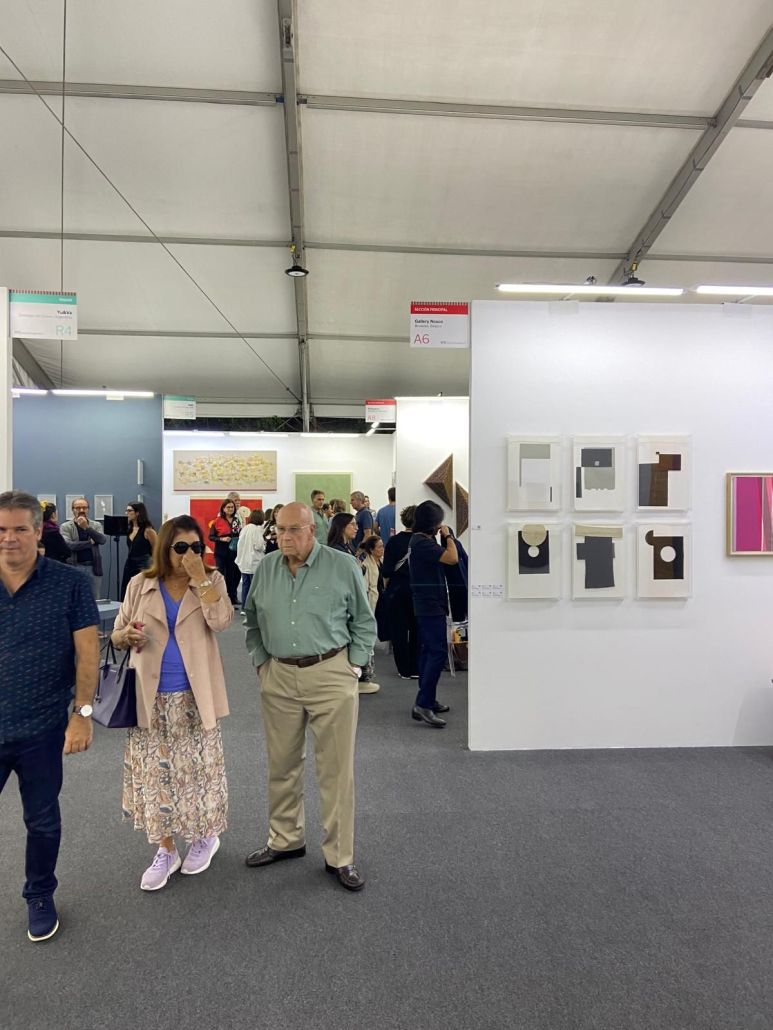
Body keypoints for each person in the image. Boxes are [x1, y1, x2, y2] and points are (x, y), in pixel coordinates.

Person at [243, 502, 376, 891]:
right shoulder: (268, 568)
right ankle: (285, 840)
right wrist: (262, 662)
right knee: (282, 764)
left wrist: (353, 667)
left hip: (331, 673)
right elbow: (252, 620)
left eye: (293, 530)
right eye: (279, 530)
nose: (285, 538)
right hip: (279, 676)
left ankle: (340, 856)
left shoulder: (341, 565)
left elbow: (364, 621)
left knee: (336, 770)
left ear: (311, 530)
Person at [112, 515, 233, 891]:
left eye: (196, 547)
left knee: (198, 773)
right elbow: (116, 633)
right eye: (181, 547)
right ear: (165, 549)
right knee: (156, 776)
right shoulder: (140, 584)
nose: (189, 554)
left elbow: (222, 621)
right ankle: (166, 849)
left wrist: (201, 579)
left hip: (196, 696)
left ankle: (204, 837)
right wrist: (126, 636)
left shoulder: (212, 581)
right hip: (149, 698)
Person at [0, 490, 99, 942]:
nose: (9, 538)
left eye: (19, 529)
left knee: (41, 820)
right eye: (1, 530)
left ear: (38, 532)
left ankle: (39, 894)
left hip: (42, 727)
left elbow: (87, 654)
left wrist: (82, 713)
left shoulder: (69, 583)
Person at [408, 500, 458, 728]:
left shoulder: (421, 541)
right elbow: (452, 558)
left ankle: (428, 698)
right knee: (437, 652)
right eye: (438, 523)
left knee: (429, 652)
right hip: (429, 606)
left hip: (429, 603)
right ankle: (423, 704)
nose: (440, 527)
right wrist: (448, 537)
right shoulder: (422, 543)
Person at [382, 505, 419, 679]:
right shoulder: (425, 541)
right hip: (418, 591)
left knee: (399, 631)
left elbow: (387, 571)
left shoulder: (394, 541)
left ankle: (403, 669)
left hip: (397, 590)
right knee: (417, 629)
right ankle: (416, 668)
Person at [60, 497, 107, 598]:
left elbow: (102, 540)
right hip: (74, 567)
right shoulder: (65, 526)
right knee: (74, 598)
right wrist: (90, 543)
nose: (81, 510)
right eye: (78, 508)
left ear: (88, 509)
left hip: (93, 567)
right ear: (73, 510)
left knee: (94, 598)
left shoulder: (96, 525)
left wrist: (87, 527)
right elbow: (69, 545)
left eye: (84, 508)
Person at [120, 502, 157, 600]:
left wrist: (154, 567)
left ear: (137, 513)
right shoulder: (129, 529)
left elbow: (156, 550)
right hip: (130, 563)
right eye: (126, 510)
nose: (127, 513)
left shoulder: (148, 530)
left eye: (129, 511)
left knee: (141, 593)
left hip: (144, 565)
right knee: (127, 591)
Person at [210, 498, 241, 605]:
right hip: (220, 552)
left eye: (232, 507)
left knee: (232, 575)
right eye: (228, 507)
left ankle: (232, 597)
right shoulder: (217, 521)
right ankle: (221, 598)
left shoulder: (237, 520)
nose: (230, 509)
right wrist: (221, 539)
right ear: (223, 508)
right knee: (221, 575)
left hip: (233, 552)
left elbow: (239, 533)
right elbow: (211, 537)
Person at [235, 508, 266, 612]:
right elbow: (259, 546)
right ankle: (253, 608)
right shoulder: (256, 530)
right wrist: (264, 545)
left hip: (244, 563)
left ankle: (244, 608)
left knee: (245, 586)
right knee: (255, 587)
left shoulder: (245, 528)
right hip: (254, 563)